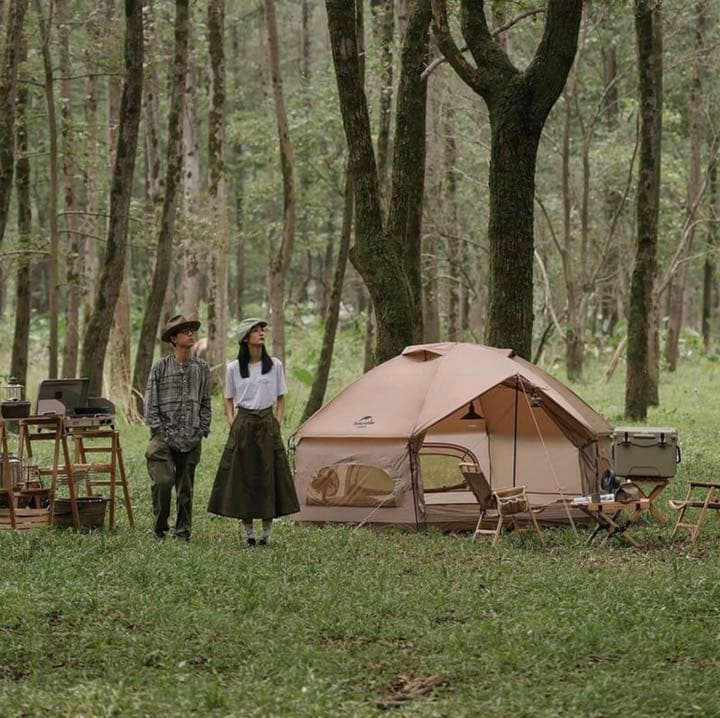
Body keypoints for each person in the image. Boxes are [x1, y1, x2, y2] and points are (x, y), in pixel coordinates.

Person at [207, 318, 299, 547]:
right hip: (244, 422)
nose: (261, 333)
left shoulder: (275, 365)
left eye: (262, 330)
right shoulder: (234, 368)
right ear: (245, 338)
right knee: (243, 475)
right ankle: (248, 532)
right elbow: (228, 399)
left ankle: (266, 533)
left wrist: (277, 422)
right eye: (255, 331)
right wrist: (232, 422)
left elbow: (281, 397)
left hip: (267, 422)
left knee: (269, 473)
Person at [144, 313, 212, 541]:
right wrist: (161, 432)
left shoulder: (202, 368)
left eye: (193, 330)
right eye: (185, 331)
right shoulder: (160, 367)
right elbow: (150, 405)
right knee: (162, 483)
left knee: (186, 489)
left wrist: (201, 430)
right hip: (163, 437)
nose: (191, 334)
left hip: (191, 437)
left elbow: (206, 403)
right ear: (174, 338)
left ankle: (183, 532)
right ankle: (160, 529)